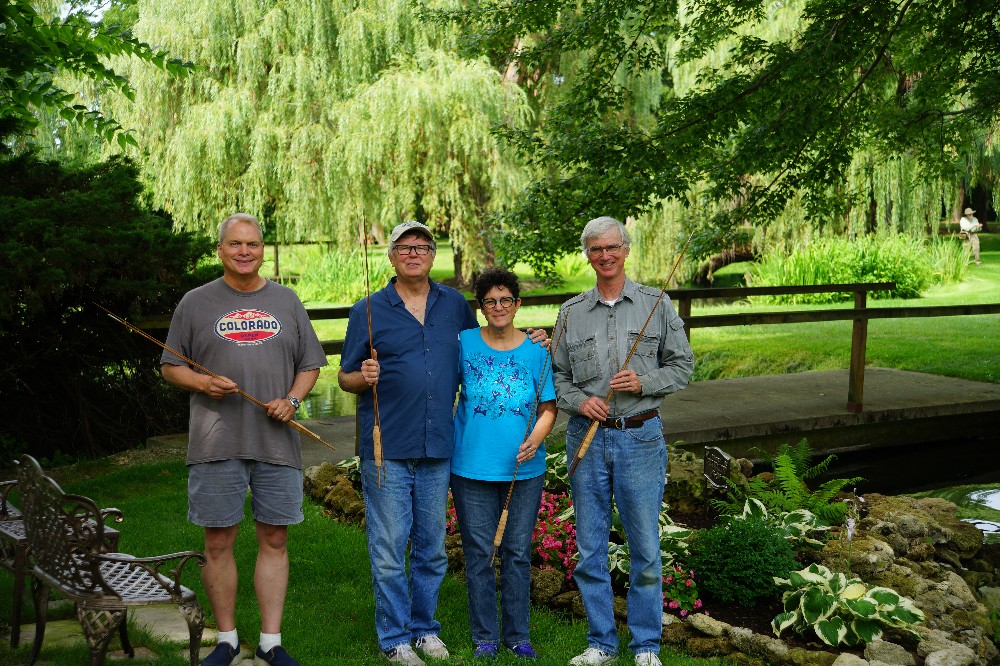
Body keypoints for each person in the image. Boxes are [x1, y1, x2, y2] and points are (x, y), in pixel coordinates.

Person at [339, 222, 546, 666]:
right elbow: (345, 376)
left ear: (433, 255)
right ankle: (394, 637)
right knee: (391, 547)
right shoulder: (368, 310)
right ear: (391, 256)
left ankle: (424, 628)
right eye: (405, 247)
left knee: (432, 547)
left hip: (439, 446)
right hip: (387, 445)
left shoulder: (453, 304)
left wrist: (533, 340)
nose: (414, 254)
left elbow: (487, 344)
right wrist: (363, 377)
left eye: (423, 247)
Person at [161, 213, 327, 666]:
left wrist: (291, 401)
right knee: (217, 542)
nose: (244, 252)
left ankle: (271, 642)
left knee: (275, 539)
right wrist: (202, 384)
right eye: (235, 244)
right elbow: (170, 366)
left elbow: (310, 364)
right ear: (220, 249)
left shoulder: (286, 300)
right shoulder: (195, 303)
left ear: (261, 248)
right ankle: (227, 639)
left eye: (252, 244)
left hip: (277, 442)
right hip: (216, 442)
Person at [552, 216, 695, 666]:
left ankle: (646, 646)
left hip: (640, 438)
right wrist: (578, 402)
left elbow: (684, 365)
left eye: (612, 247)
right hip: (587, 439)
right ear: (588, 255)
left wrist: (643, 381)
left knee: (645, 549)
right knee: (590, 548)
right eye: (596, 249)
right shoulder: (571, 312)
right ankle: (600, 643)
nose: (605, 255)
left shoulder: (657, 302)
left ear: (626, 250)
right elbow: (555, 377)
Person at [451, 267, 557, 660]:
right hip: (470, 468)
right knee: (479, 554)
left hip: (523, 470)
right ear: (480, 308)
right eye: (490, 301)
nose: (498, 307)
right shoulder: (462, 343)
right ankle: (485, 636)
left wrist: (535, 438)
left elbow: (549, 408)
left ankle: (517, 634)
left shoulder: (536, 351)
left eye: (505, 300)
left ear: (517, 304)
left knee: (516, 553)